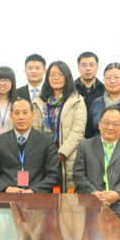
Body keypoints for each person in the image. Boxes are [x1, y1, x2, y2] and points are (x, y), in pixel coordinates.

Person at [74, 105, 120, 236]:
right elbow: (78, 175)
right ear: (99, 125)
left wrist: (117, 194)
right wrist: (93, 193)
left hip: (119, 202)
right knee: (76, 221)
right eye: (106, 123)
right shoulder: (85, 146)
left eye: (115, 124)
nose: (110, 127)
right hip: (90, 199)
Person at [0, 98, 61, 193]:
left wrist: (33, 190)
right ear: (11, 116)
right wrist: (7, 188)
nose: (21, 117)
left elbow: (53, 175)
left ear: (33, 115)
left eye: (25, 113)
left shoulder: (46, 141)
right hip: (7, 195)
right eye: (16, 113)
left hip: (36, 195)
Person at [33, 60, 87, 191]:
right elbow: (35, 129)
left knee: (68, 198)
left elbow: (78, 130)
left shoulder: (77, 100)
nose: (56, 78)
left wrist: (62, 153)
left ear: (67, 77)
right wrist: (45, 154)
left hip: (69, 155)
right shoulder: (38, 101)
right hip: (43, 156)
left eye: (60, 74)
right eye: (52, 74)